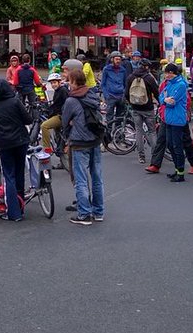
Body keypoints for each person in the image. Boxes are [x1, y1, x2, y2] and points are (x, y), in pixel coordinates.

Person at [60, 61, 104, 225]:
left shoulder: (71, 101)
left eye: (69, 81)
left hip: (79, 141)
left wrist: (70, 126)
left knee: (81, 179)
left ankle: (84, 214)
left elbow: (65, 121)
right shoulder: (92, 95)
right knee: (97, 177)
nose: (68, 84)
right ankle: (98, 211)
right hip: (95, 139)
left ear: (74, 83)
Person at [0, 79, 31, 222]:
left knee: (9, 176)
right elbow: (27, 119)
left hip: (5, 144)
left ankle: (13, 212)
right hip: (21, 141)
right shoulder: (15, 102)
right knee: (19, 174)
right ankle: (21, 207)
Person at [159, 61, 190, 182]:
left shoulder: (181, 85)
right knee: (170, 145)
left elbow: (173, 102)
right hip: (168, 119)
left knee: (177, 146)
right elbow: (161, 97)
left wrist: (165, 100)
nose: (165, 75)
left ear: (171, 73)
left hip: (177, 119)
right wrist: (165, 100)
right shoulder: (169, 84)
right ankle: (177, 169)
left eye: (166, 73)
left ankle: (181, 172)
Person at [126, 56, 159, 165]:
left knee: (139, 131)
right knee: (152, 131)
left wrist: (132, 103)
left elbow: (126, 94)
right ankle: (155, 155)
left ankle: (141, 156)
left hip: (136, 108)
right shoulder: (148, 78)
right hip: (148, 108)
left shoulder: (130, 77)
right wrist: (160, 102)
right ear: (146, 67)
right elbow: (156, 91)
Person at [39, 72, 69, 156]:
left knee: (44, 126)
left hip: (61, 116)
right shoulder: (58, 90)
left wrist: (49, 111)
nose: (53, 85)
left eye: (55, 82)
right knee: (58, 136)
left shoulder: (62, 91)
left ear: (59, 82)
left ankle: (47, 150)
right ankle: (61, 152)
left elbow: (59, 105)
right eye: (52, 83)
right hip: (60, 115)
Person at [100, 52, 129, 125]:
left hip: (120, 96)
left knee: (120, 117)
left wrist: (124, 94)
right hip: (110, 96)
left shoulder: (123, 70)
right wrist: (106, 95)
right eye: (116, 59)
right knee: (109, 117)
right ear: (112, 59)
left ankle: (118, 132)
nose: (118, 61)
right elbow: (103, 84)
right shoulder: (106, 69)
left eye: (119, 59)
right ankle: (109, 133)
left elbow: (125, 83)